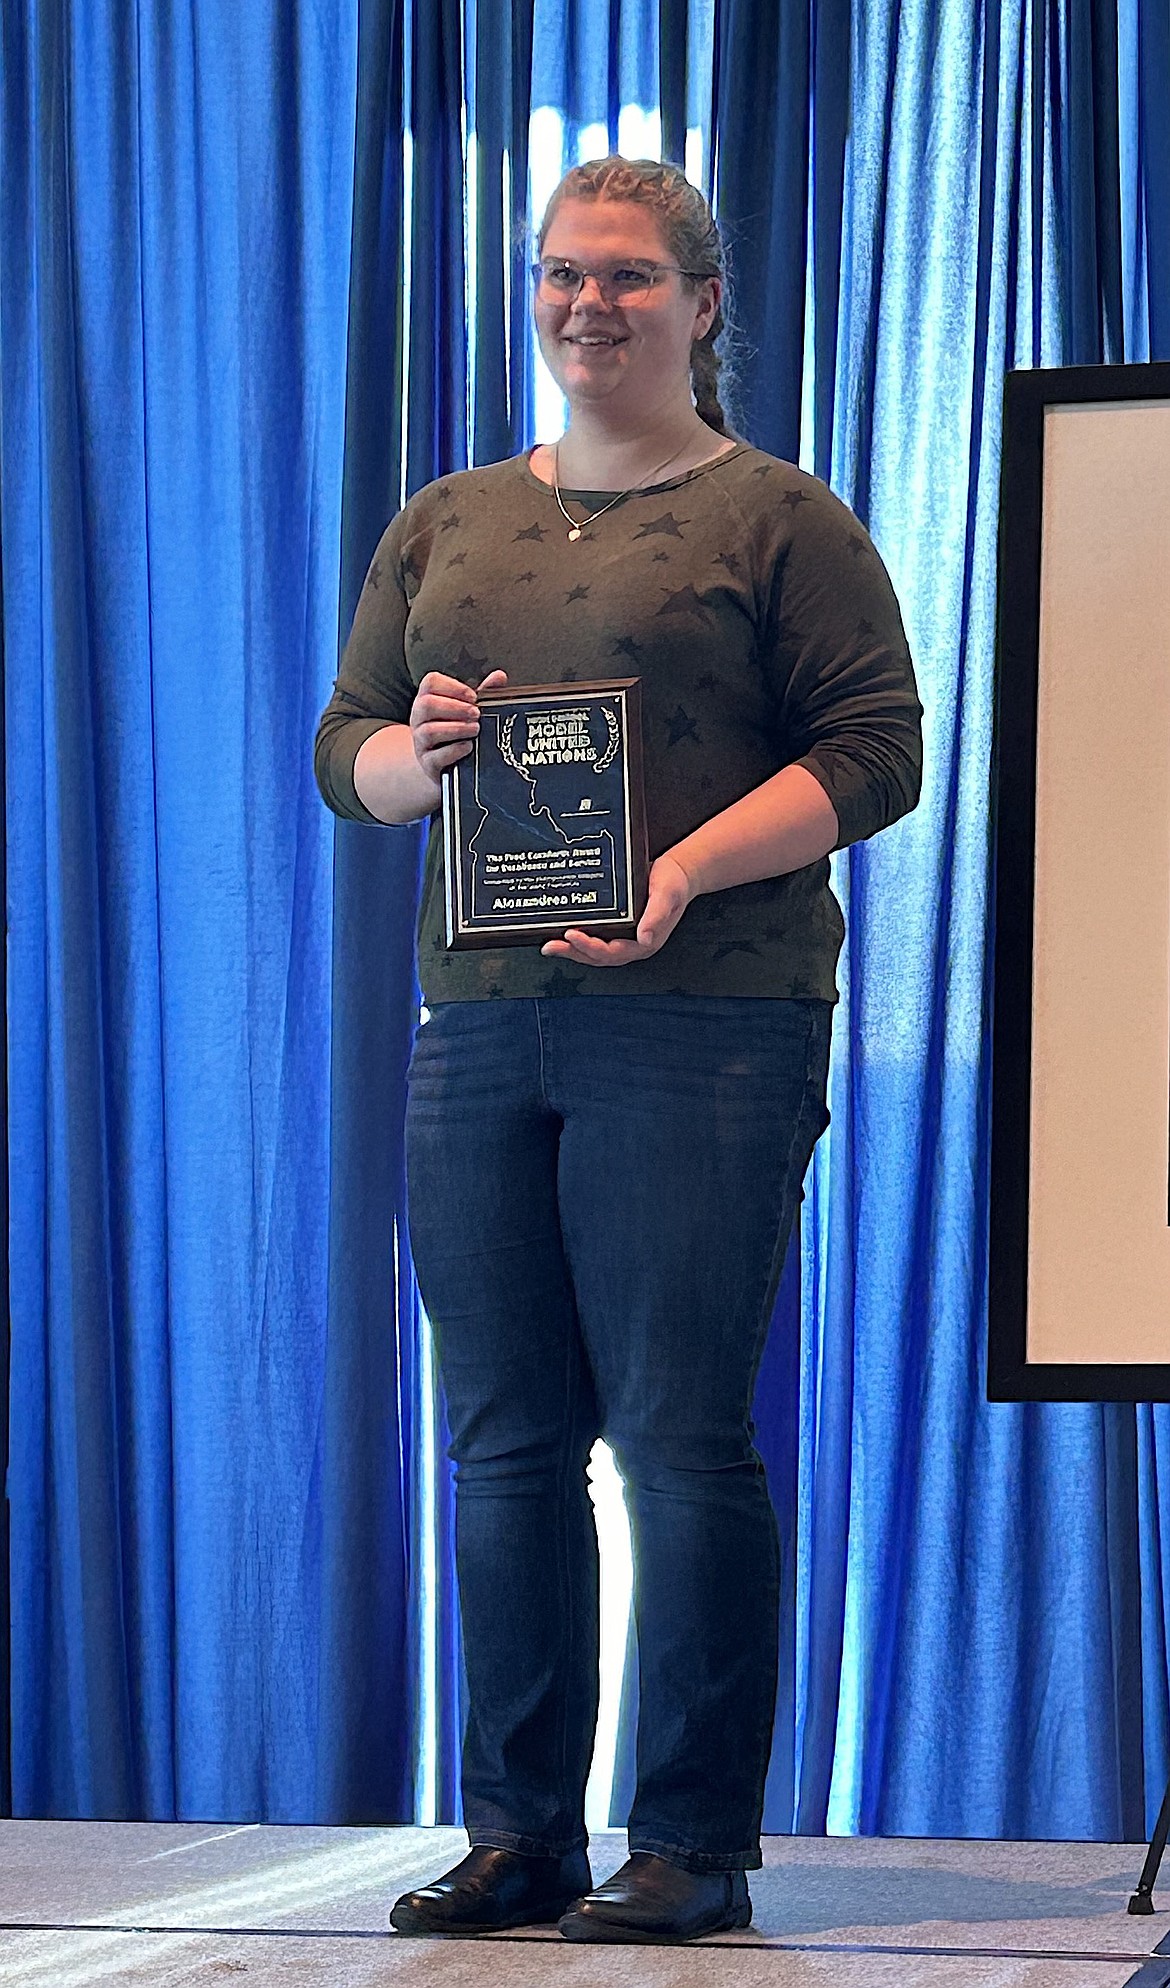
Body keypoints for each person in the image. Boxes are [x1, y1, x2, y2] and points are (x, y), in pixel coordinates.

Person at [314, 155, 922, 1945]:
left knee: (672, 1436)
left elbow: (875, 754)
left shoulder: (776, 517)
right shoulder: (442, 520)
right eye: (564, 276)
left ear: (702, 303)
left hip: (711, 1021)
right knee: (502, 1442)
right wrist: (415, 756)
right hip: (483, 1025)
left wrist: (675, 873)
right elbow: (346, 753)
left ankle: (693, 1847)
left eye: (633, 279)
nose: (592, 306)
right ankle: (516, 1835)